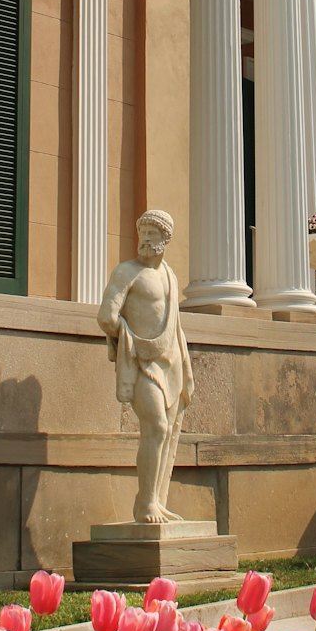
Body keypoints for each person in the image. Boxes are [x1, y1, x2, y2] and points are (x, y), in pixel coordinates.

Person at [96, 209, 195, 524]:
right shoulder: (127, 272)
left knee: (167, 433)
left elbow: (177, 328)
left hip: (172, 363)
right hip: (141, 361)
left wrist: (188, 372)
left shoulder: (169, 276)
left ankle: (156, 500)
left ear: (165, 240)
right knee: (156, 427)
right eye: (143, 233)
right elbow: (106, 316)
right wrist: (127, 339)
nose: (145, 239)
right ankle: (145, 505)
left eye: (152, 234)